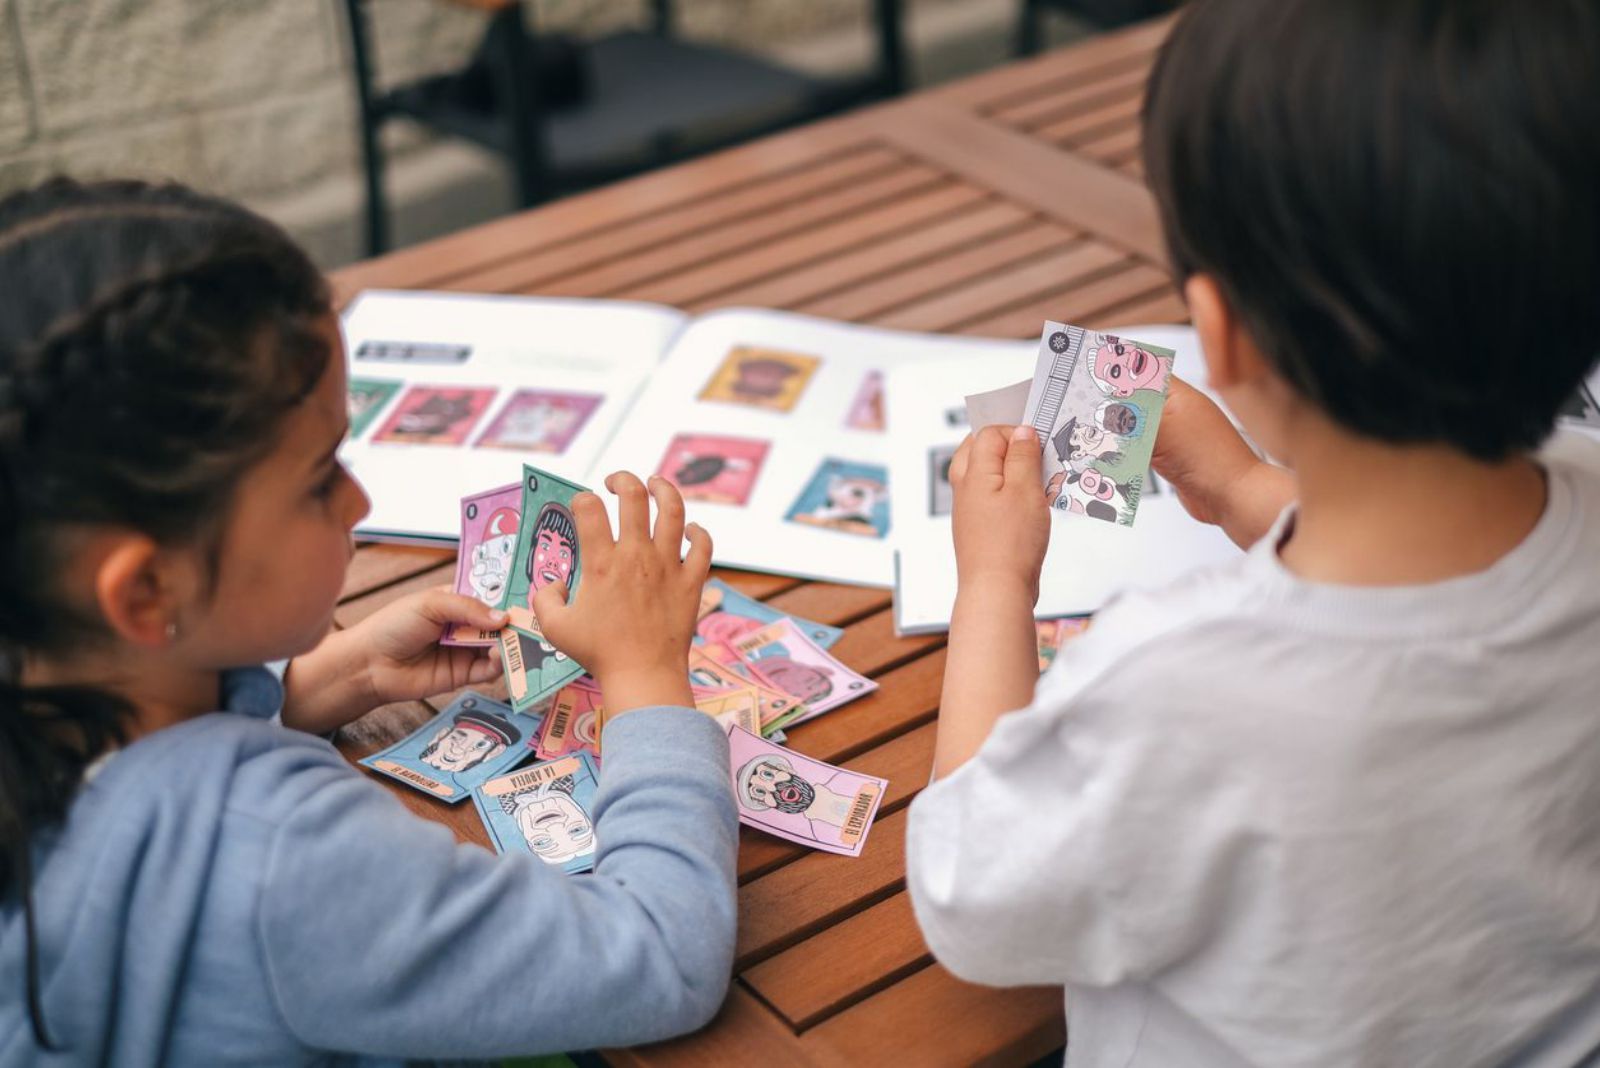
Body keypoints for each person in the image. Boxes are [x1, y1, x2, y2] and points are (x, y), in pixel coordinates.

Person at [906, 2, 1600, 1066]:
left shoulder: (1180, 687)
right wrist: (1240, 486)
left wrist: (994, 582)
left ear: (1215, 329)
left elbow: (967, 900)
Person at [0, 178, 736, 1064]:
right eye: (320, 477)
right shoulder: (287, 857)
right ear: (147, 593)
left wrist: (331, 681)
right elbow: (662, 957)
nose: (361, 497)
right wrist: (646, 676)